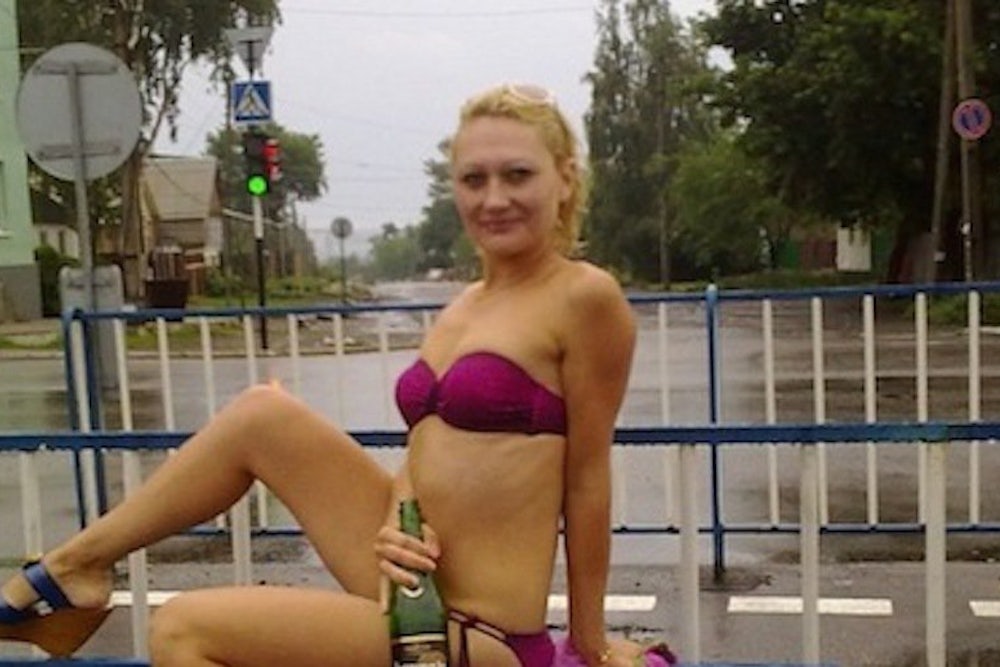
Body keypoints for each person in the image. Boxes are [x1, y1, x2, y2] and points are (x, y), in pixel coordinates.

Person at [0, 83, 675, 667]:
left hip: (479, 632)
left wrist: (590, 643)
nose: (494, 198)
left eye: (517, 175)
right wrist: (395, 518)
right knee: (262, 414)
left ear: (565, 178)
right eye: (474, 180)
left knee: (182, 627)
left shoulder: (584, 297)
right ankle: (76, 565)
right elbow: (427, 452)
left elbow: (587, 477)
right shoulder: (462, 308)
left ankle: (63, 576)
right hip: (412, 586)